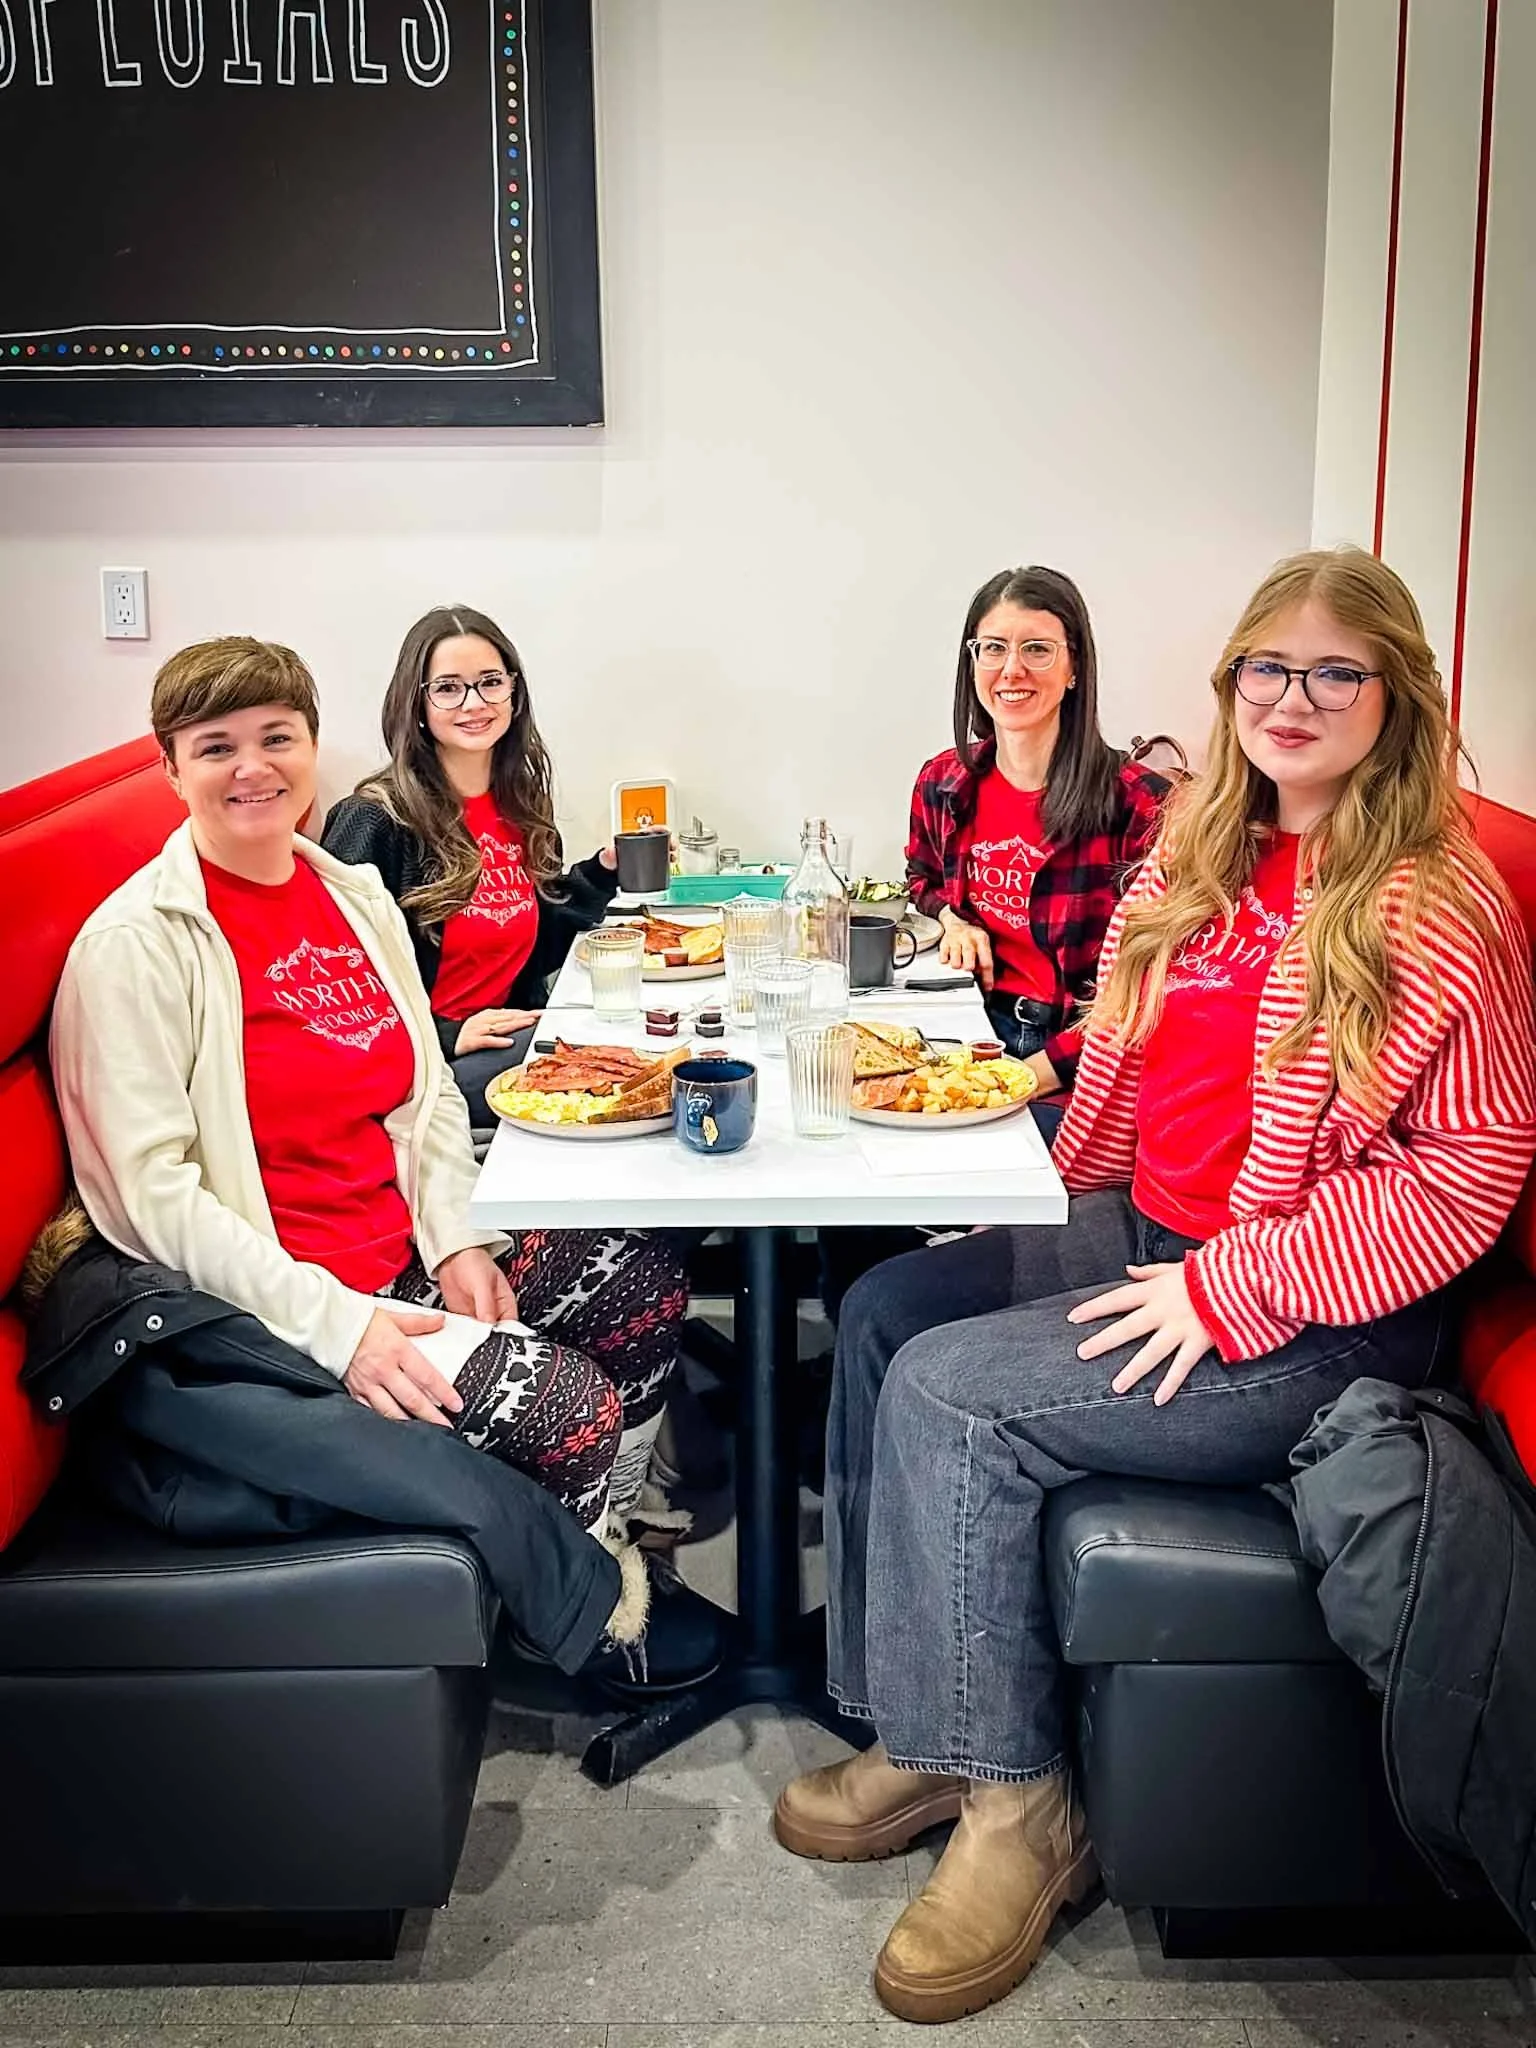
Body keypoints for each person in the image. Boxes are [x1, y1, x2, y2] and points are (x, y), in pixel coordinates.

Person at [774, 547, 1536, 2025]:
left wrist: (1229, 1290)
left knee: (959, 1401)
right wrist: (1030, 1152)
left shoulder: (1435, 896)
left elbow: (1465, 1175)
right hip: (1148, 1236)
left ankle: (1020, 1809)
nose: (1295, 700)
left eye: (1336, 673)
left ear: (1399, 696)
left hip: (1314, 1313)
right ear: (1229, 685)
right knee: (882, 1317)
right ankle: (921, 1723)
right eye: (1268, 669)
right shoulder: (1200, 844)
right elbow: (1125, 1067)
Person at [49, 638, 708, 1661]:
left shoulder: (350, 894)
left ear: (313, 745)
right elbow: (150, 1197)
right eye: (216, 746)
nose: (253, 767)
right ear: (169, 766)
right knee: (571, 1400)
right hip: (284, 1309)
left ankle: (608, 1543)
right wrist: (341, 1325)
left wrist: (455, 1241)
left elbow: (426, 1094)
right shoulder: (135, 943)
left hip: (406, 1252)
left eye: (278, 737)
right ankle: (573, 1628)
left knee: (640, 1268)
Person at [818, 567, 1169, 1328]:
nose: (1013, 671)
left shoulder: (1139, 804)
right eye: (993, 649)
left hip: (1079, 1060)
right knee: (837, 1136)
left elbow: (1152, 994)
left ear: (1076, 667)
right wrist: (950, 917)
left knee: (903, 1163)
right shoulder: (946, 782)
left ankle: (907, 1329)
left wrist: (1040, 1068)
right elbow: (919, 872)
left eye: (1038, 650)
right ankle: (851, 1353)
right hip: (973, 1030)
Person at [321, 605, 621, 1124]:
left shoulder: (519, 802)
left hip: (509, 1035)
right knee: (612, 1079)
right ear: (416, 703)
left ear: (514, 692)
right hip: (423, 1069)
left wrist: (601, 872)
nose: (474, 703)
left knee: (634, 1037)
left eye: (489, 683)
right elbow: (336, 990)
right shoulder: (374, 820)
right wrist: (448, 1034)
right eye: (448, 688)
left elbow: (529, 945)